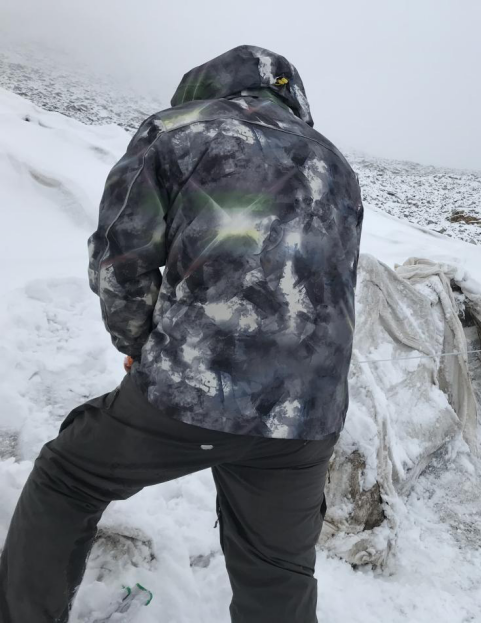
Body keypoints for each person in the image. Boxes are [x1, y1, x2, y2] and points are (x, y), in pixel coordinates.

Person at [0, 45, 363, 623]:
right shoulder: (335, 163)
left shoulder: (175, 131)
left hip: (195, 388)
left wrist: (137, 346)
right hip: (309, 416)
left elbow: (122, 260)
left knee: (68, 478)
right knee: (278, 574)